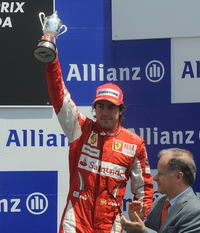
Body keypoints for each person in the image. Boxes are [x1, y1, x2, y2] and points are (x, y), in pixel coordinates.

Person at [45, 41, 154, 232]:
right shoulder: (80, 129)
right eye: (100, 106)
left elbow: (144, 189)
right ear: (94, 108)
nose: (105, 112)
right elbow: (59, 96)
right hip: (76, 220)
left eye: (111, 107)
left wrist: (140, 216)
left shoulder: (134, 144)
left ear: (121, 110)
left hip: (110, 224)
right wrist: (52, 61)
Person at [121, 148, 200, 233]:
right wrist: (138, 222)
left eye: (160, 174)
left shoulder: (196, 212)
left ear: (178, 177)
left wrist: (143, 230)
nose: (155, 178)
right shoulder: (159, 202)